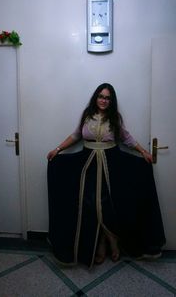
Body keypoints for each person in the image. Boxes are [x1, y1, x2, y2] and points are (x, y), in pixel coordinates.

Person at [47, 83, 166, 268]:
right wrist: (57, 149)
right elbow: (76, 135)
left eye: (108, 98)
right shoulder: (87, 115)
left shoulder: (114, 118)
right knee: (89, 205)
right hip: (88, 165)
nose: (104, 100)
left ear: (111, 101)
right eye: (101, 96)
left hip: (112, 164)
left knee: (110, 204)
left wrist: (143, 152)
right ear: (96, 97)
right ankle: (103, 244)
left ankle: (111, 241)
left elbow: (126, 138)